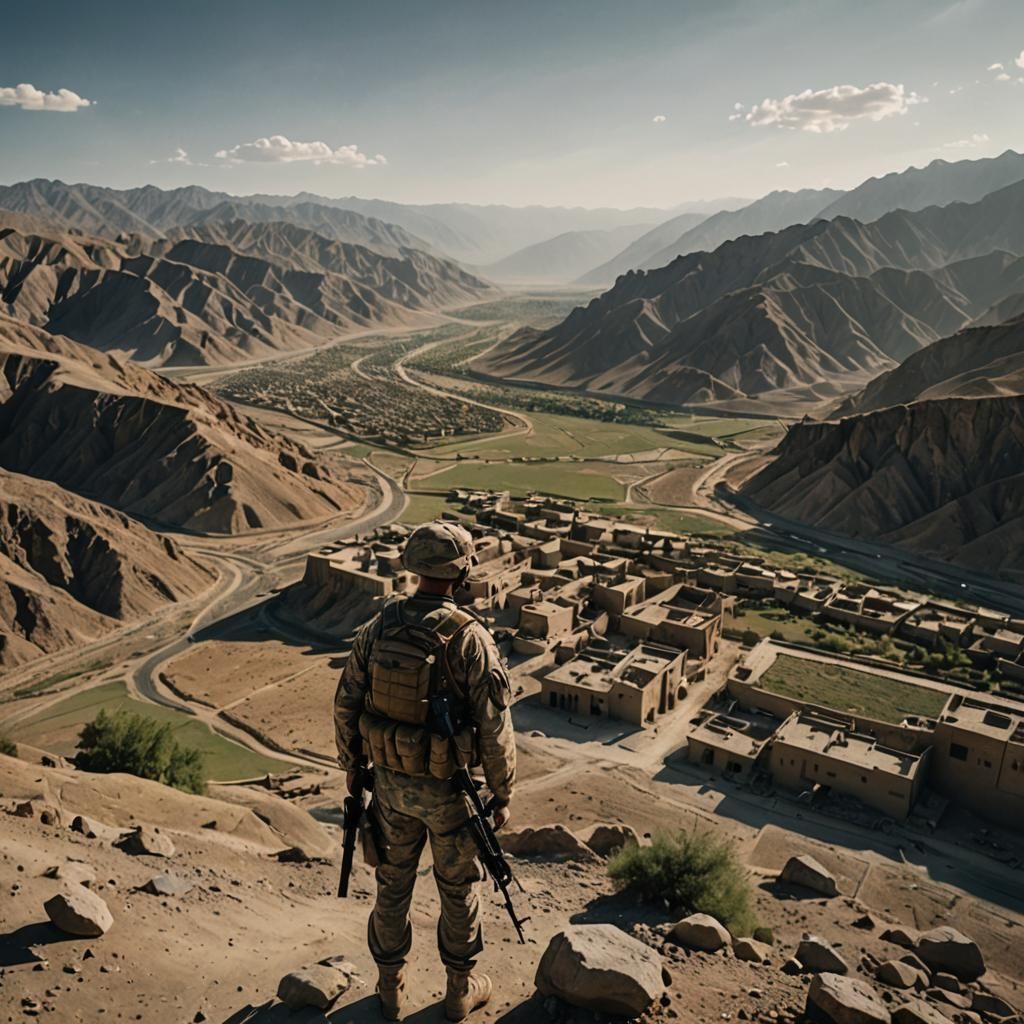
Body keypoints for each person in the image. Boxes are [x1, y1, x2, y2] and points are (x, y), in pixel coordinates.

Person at [334, 521, 517, 1022]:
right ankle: (459, 992)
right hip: (452, 796)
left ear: (414, 567)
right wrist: (501, 795)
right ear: (461, 572)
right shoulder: (470, 638)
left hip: (390, 790)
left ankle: (390, 989)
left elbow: (346, 702)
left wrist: (352, 766)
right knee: (458, 891)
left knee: (393, 885)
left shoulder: (379, 626)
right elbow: (495, 726)